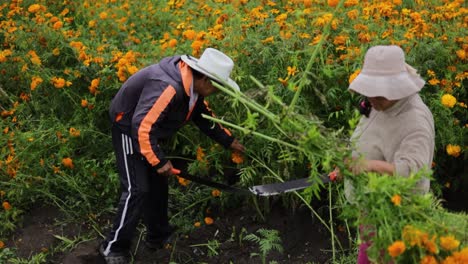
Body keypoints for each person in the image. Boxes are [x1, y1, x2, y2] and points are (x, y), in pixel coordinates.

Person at [99, 48, 246, 263]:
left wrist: (229, 141)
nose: (217, 92)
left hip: (148, 132)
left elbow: (204, 117)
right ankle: (113, 247)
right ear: (205, 79)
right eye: (217, 87)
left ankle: (158, 236)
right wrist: (159, 160)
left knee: (157, 185)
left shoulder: (193, 89)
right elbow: (140, 127)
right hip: (127, 127)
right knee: (136, 188)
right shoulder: (168, 87)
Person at [344, 45, 435, 263]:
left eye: (378, 95)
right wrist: (348, 162)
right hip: (374, 212)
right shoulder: (380, 103)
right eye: (369, 92)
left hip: (395, 220)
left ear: (397, 88)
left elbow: (413, 173)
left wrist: (369, 166)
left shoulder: (415, 121)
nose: (371, 100)